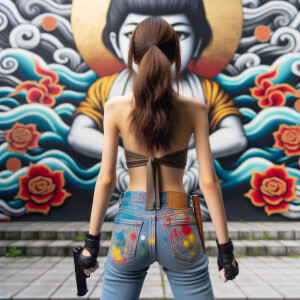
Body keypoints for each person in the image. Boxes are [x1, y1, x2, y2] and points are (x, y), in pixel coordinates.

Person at [78, 16, 239, 300]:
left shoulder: (115, 107)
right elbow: (209, 181)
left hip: (129, 224)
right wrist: (225, 251)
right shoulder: (195, 108)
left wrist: (91, 245)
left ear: (133, 55)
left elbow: (105, 179)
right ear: (175, 55)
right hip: (180, 224)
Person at [67, 0, 247, 222]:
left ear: (199, 42)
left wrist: (90, 243)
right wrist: (225, 249)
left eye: (180, 33)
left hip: (131, 217)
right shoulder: (107, 89)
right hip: (178, 211)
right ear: (115, 43)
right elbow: (78, 133)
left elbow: (235, 135)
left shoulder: (205, 91)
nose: (155, 49)